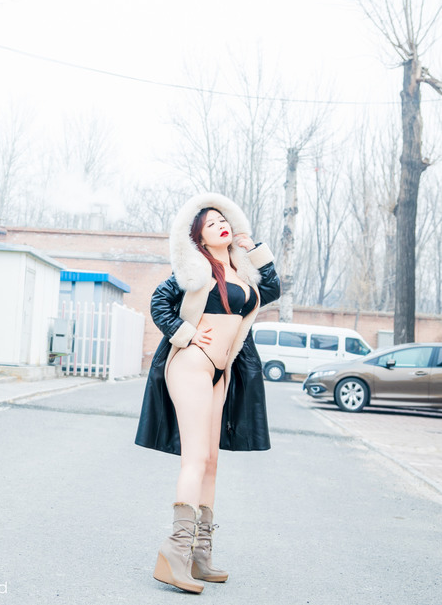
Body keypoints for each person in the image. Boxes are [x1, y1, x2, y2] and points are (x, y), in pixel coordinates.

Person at [135, 192, 281, 593]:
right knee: (195, 459)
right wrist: (185, 333)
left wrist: (255, 249)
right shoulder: (196, 268)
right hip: (192, 365)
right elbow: (159, 302)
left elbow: (272, 289)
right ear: (199, 237)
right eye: (211, 223)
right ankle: (174, 553)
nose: (221, 225)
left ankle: (200, 555)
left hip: (222, 371)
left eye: (224, 220)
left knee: (212, 462)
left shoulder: (241, 269)